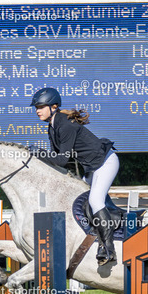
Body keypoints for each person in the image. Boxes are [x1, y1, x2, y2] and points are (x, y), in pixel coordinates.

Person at [30, 87, 119, 265]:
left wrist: (38, 153)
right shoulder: (53, 127)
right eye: (36, 107)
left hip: (105, 163)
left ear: (54, 106)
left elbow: (62, 160)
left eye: (41, 106)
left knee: (95, 201)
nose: (37, 110)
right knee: (78, 199)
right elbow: (55, 159)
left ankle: (109, 249)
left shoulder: (64, 125)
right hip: (92, 168)